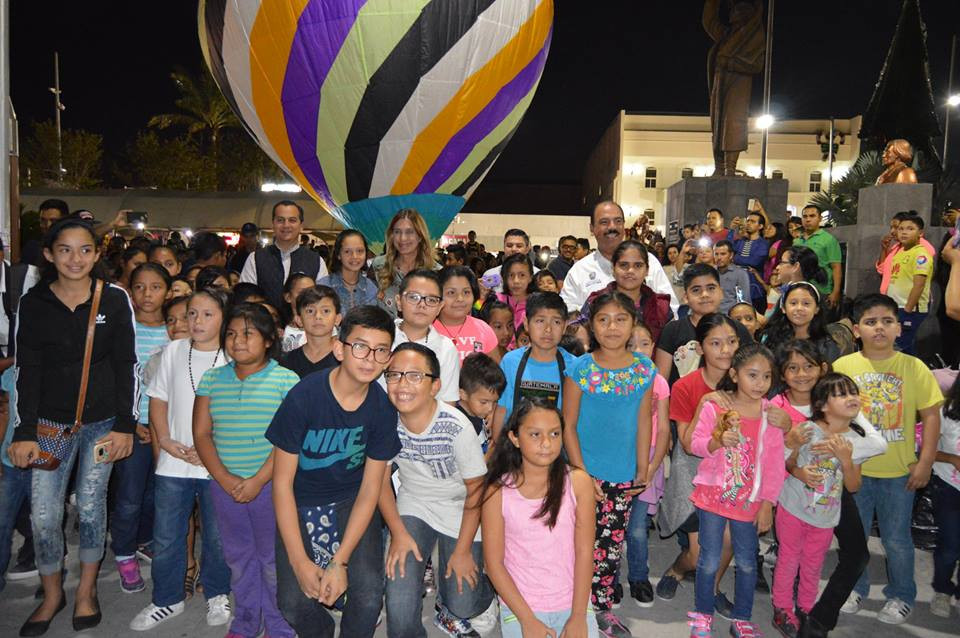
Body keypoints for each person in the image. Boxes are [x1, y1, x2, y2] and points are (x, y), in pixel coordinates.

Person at [8, 218, 137, 635]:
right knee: (45, 515)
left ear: (97, 254)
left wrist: (125, 425)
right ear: (49, 255)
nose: (75, 258)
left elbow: (126, 366)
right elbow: (27, 371)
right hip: (47, 425)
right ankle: (51, 593)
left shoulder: (114, 300)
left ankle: (85, 591)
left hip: (102, 424)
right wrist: (23, 431)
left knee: (90, 506)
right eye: (64, 249)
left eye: (85, 249)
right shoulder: (33, 303)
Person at [267, 306, 401, 638]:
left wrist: (339, 562)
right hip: (300, 501)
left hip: (351, 502)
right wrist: (299, 562)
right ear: (339, 348)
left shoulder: (382, 409)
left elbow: (371, 489)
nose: (369, 358)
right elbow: (281, 483)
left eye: (381, 350)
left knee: (369, 595)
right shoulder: (305, 396)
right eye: (360, 346)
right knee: (294, 603)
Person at [834, 294, 943, 625]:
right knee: (855, 536)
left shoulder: (915, 367)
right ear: (856, 330)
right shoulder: (844, 367)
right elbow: (831, 416)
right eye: (870, 322)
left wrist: (925, 462)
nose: (879, 327)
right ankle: (855, 586)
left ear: (899, 327)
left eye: (886, 321)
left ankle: (901, 595)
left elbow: (932, 416)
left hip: (899, 472)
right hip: (855, 470)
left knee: (897, 540)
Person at [192, 302, 299, 638]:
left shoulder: (285, 379)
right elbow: (201, 433)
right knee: (238, 558)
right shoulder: (213, 379)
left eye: (248, 334)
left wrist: (257, 480)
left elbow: (289, 439)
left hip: (271, 487)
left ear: (269, 340)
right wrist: (225, 479)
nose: (238, 341)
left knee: (272, 559)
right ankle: (246, 620)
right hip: (224, 488)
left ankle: (279, 623)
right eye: (232, 334)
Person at [130, 287, 233, 632]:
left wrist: (211, 453)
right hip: (175, 461)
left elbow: (237, 410)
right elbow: (158, 400)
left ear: (223, 317)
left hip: (216, 464)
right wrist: (167, 441)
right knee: (168, 534)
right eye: (192, 313)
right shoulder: (174, 351)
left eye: (207, 314)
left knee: (218, 535)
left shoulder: (232, 356)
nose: (197, 321)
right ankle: (167, 599)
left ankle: (218, 593)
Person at [380, 343, 496, 636]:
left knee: (462, 602)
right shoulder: (384, 421)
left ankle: (486, 592)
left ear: (435, 386)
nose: (402, 384)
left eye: (415, 376)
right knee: (399, 600)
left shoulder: (456, 427)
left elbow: (475, 490)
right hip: (414, 503)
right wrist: (398, 532)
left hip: (461, 506)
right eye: (394, 375)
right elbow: (379, 481)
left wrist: (461, 551)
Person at [562, 292, 656, 638]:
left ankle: (600, 609)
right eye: (603, 319)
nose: (611, 327)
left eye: (620, 319)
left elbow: (644, 420)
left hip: (622, 475)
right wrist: (581, 473)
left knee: (609, 548)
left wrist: (643, 467)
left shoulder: (644, 369)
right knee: (574, 543)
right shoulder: (581, 369)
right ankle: (569, 606)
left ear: (633, 324)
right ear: (592, 325)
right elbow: (568, 425)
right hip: (582, 473)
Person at [686, 343, 785, 638]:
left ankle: (742, 618)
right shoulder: (717, 406)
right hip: (713, 497)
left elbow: (775, 465)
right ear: (734, 374)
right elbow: (694, 442)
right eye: (752, 375)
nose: (759, 383)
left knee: (746, 560)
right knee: (709, 559)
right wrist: (716, 443)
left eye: (766, 377)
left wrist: (768, 502)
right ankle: (702, 615)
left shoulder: (772, 415)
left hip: (749, 503)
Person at [480, 397, 599, 638]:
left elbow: (585, 552)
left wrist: (578, 616)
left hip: (573, 600)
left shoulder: (579, 482)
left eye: (555, 434)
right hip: (521, 604)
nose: (547, 443)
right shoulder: (497, 491)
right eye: (535, 434)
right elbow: (493, 564)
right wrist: (527, 619)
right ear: (514, 438)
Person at [772, 373, 865, 637]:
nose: (851, 398)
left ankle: (804, 609)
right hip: (793, 507)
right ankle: (782, 608)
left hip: (825, 516)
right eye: (841, 394)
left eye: (853, 392)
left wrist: (846, 460)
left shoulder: (855, 440)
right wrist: (799, 471)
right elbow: (786, 461)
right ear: (822, 405)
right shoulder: (808, 430)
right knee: (789, 560)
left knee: (813, 564)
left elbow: (854, 485)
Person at [656, 314, 741, 602]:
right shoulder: (685, 387)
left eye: (731, 342)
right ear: (701, 348)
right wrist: (706, 401)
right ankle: (677, 570)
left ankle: (711, 589)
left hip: (733, 477)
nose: (725, 350)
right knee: (697, 554)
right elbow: (688, 444)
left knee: (728, 541)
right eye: (715, 343)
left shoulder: (746, 383)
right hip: (693, 477)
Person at [110, 263, 171, 594]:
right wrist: (131, 422)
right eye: (140, 287)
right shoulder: (124, 329)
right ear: (130, 291)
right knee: (130, 496)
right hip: (132, 426)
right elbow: (117, 380)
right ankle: (123, 553)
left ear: (168, 290)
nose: (148, 294)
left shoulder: (174, 330)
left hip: (166, 427)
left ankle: (143, 539)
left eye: (156, 287)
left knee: (153, 494)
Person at [623, 322, 671, 608]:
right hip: (621, 459)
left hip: (648, 462)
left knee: (638, 528)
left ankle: (639, 577)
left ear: (653, 347)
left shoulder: (659, 381)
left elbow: (664, 430)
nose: (638, 350)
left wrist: (651, 469)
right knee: (613, 526)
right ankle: (610, 578)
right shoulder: (616, 379)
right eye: (631, 345)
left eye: (644, 344)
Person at [561, 202, 678, 315]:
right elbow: (566, 315)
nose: (612, 227)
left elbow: (671, 308)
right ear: (592, 228)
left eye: (618, 221)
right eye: (604, 222)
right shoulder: (579, 271)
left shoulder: (648, 260)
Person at [654, 264, 753, 385]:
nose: (704, 294)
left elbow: (750, 372)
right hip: (682, 400)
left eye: (711, 288)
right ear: (686, 297)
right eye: (696, 290)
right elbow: (661, 382)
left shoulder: (737, 329)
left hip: (729, 401)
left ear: (721, 292)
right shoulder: (673, 330)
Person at [492, 292, 573, 441]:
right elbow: (501, 410)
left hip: (556, 452)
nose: (548, 329)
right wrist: (497, 447)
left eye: (556, 322)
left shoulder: (574, 366)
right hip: (514, 450)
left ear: (565, 326)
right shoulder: (510, 362)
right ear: (526, 323)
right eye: (540, 321)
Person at [577, 240, 673, 342]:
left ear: (647, 270)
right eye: (623, 265)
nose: (630, 271)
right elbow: (579, 344)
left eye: (638, 265)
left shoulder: (661, 306)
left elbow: (668, 348)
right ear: (613, 269)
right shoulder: (595, 302)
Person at [240, 201, 329, 310]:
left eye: (292, 220)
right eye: (280, 220)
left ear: (301, 226)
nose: (286, 225)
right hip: (265, 324)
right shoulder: (255, 259)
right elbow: (245, 300)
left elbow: (324, 301)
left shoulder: (316, 261)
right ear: (273, 224)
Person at [390, 269, 461, 403]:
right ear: (399, 301)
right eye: (413, 297)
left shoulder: (446, 349)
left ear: (440, 307)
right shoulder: (383, 338)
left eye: (431, 300)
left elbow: (447, 403)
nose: (422, 304)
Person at [370, 208, 438, 317]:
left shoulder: (436, 272)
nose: (402, 238)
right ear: (391, 235)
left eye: (409, 232)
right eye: (397, 232)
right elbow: (369, 307)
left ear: (420, 236)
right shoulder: (378, 266)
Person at [930, 374, 960, 618]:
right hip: (950, 488)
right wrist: (952, 459)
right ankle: (942, 589)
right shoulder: (946, 411)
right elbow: (926, 450)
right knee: (950, 546)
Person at [758, 281, 841, 363]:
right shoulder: (770, 339)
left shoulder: (827, 346)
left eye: (806, 303)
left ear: (817, 309)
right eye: (793, 303)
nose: (799, 308)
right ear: (783, 308)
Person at [886, 212, 934, 355]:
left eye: (910, 229)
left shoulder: (921, 254)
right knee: (900, 348)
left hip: (911, 310)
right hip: (896, 308)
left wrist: (908, 309)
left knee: (902, 349)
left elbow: (919, 285)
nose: (904, 232)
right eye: (901, 229)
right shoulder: (900, 252)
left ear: (920, 233)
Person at [434, 266, 498, 362]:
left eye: (466, 292)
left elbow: (495, 373)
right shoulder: (426, 330)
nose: (460, 298)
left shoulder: (484, 329)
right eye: (451, 292)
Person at [279, 286, 342, 379]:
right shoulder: (287, 361)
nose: (318, 316)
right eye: (310, 311)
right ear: (299, 320)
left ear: (337, 319)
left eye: (326, 311)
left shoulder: (346, 357)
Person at [793, 205, 843, 312]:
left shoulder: (828, 240)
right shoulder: (797, 241)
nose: (808, 219)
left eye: (812, 216)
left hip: (821, 290)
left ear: (820, 218)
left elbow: (836, 267)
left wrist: (835, 292)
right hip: (798, 288)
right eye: (805, 216)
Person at [456, 353, 507, 454]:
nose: (490, 409)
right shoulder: (462, 427)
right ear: (463, 394)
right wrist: (487, 458)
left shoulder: (476, 415)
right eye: (484, 402)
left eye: (494, 402)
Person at [317, 230, 376, 314]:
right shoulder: (324, 286)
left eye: (360, 251)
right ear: (338, 255)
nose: (355, 256)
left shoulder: (371, 288)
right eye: (347, 251)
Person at [481, 229, 539, 295]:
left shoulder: (538, 275)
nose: (514, 249)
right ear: (504, 247)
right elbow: (479, 303)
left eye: (519, 246)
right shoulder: (490, 275)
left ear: (527, 249)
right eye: (509, 245)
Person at [21, 199, 69, 267]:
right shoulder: (32, 248)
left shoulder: (73, 247)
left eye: (53, 221)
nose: (48, 225)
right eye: (43, 220)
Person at [496, 253, 537, 335]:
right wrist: (481, 298)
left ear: (530, 277)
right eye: (511, 275)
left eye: (522, 275)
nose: (516, 281)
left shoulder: (538, 304)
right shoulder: (496, 300)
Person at [279, 273, 315, 353]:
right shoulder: (280, 330)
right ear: (288, 297)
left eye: (312, 291)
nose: (309, 296)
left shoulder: (323, 326)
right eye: (302, 292)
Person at [713, 240, 751, 314]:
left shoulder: (740, 274)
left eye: (723, 254)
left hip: (731, 317)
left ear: (731, 255)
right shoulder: (710, 272)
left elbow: (744, 300)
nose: (719, 257)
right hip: (711, 315)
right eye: (716, 254)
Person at [482, 299, 513, 363]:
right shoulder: (480, 361)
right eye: (498, 327)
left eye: (510, 325)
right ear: (485, 327)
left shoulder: (514, 358)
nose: (506, 333)